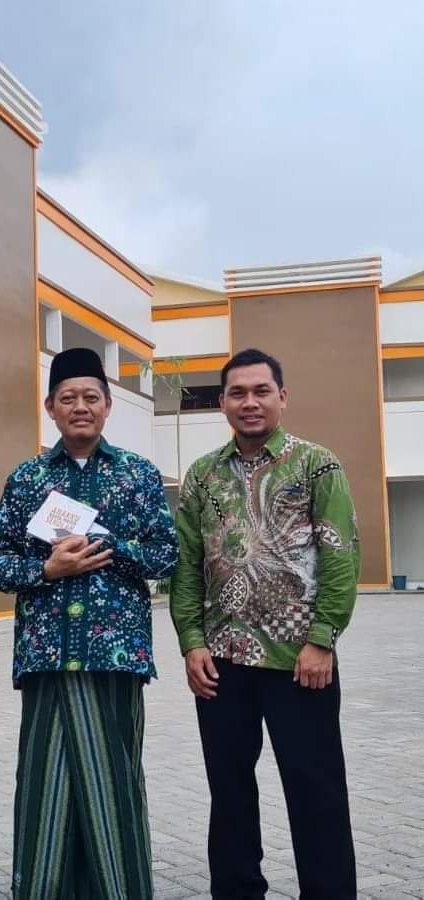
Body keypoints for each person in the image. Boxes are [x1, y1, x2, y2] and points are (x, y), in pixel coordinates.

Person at [0, 347, 178, 900]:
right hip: (47, 657)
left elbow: (166, 555)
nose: (80, 407)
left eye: (91, 396)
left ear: (108, 405)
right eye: (67, 398)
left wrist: (108, 546)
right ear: (50, 407)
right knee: (44, 783)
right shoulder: (28, 478)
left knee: (113, 781)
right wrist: (47, 569)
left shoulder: (138, 474)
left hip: (114, 658)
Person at [170, 347, 359, 900]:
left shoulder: (316, 465)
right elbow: (188, 564)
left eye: (261, 391)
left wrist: (322, 639)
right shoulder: (203, 475)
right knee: (228, 792)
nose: (249, 402)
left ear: (282, 397)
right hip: (221, 664)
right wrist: (191, 642)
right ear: (223, 402)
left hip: (300, 661)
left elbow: (341, 555)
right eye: (238, 392)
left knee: (316, 791)